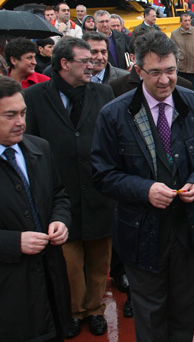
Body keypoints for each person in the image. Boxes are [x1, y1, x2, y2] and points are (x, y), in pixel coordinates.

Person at [91, 31, 194, 341]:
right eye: (155, 72)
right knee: (149, 316)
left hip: (189, 232)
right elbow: (102, 174)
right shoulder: (113, 115)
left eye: (171, 70)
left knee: (182, 313)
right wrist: (144, 190)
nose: (165, 80)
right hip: (140, 234)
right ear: (138, 71)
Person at [24, 36, 116, 338]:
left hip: (99, 191)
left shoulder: (104, 93)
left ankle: (95, 309)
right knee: (69, 260)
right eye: (85, 61)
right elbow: (30, 145)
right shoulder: (36, 97)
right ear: (64, 64)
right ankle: (75, 312)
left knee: (100, 259)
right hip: (60, 195)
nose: (93, 64)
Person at [0, 76, 71, 342]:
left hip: (50, 284)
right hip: (10, 296)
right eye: (10, 115)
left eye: (23, 113)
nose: (20, 122)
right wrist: (13, 242)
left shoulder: (39, 148)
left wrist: (60, 221)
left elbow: (59, 195)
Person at [170, 13, 194, 89]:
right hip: (181, 68)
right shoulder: (174, 34)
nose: (187, 22)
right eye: (185, 21)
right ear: (181, 22)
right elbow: (171, 49)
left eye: (189, 20)